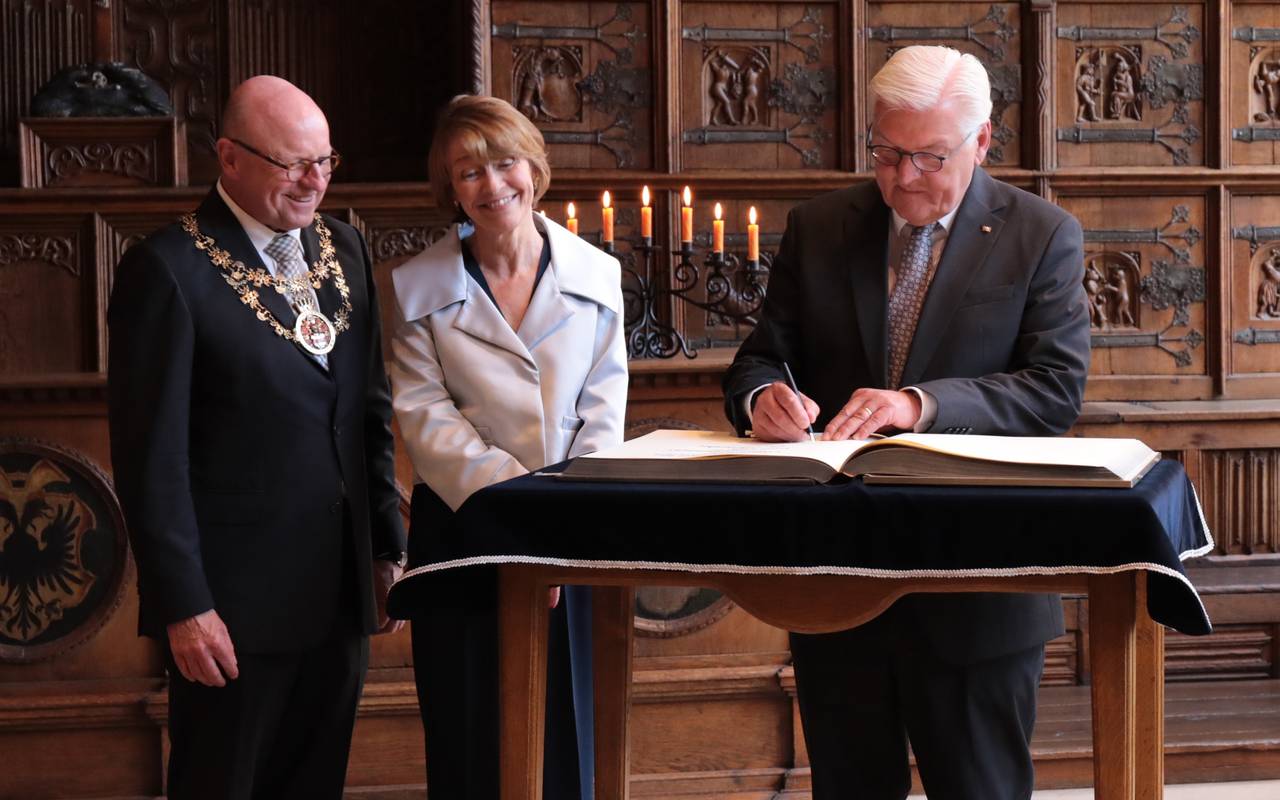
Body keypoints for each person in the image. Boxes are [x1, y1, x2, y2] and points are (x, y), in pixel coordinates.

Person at [722, 46, 1090, 800]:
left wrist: (917, 405)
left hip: (977, 586)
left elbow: (1054, 390)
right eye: (886, 153)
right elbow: (761, 359)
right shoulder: (822, 226)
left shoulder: (1040, 234)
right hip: (836, 580)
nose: (901, 177)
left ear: (981, 142)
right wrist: (761, 400)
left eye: (926, 156)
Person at [107, 75, 406, 800]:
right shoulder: (167, 269)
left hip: (337, 595)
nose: (314, 182)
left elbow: (368, 410)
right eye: (292, 164)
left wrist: (386, 546)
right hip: (230, 610)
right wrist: (183, 605)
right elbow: (151, 463)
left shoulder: (344, 248)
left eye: (326, 161)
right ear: (230, 157)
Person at [388, 94, 627, 800]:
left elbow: (603, 417)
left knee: (569, 734)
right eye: (468, 172)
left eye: (505, 163)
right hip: (466, 538)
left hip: (575, 537)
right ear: (449, 188)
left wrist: (552, 533)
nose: (493, 186)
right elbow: (428, 424)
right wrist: (521, 521)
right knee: (470, 740)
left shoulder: (596, 275)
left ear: (534, 166)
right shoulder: (412, 289)